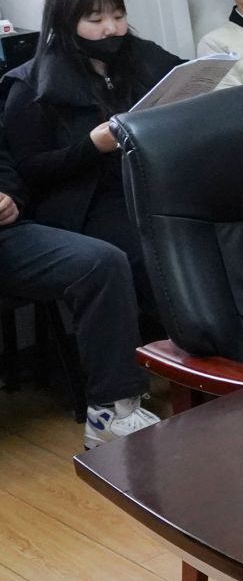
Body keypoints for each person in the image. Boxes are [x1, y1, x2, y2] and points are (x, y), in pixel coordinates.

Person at [1, 0, 180, 311]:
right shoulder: (32, 86)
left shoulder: (140, 55)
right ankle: (166, 338)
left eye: (118, 16)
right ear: (66, 24)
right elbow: (30, 169)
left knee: (220, 228)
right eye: (95, 20)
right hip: (85, 201)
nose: (111, 29)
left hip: (152, 185)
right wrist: (91, 147)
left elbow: (184, 75)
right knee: (151, 253)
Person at [0, 123, 157, 447]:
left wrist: (9, 198)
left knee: (102, 262)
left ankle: (111, 413)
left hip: (7, 239)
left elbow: (7, 167)